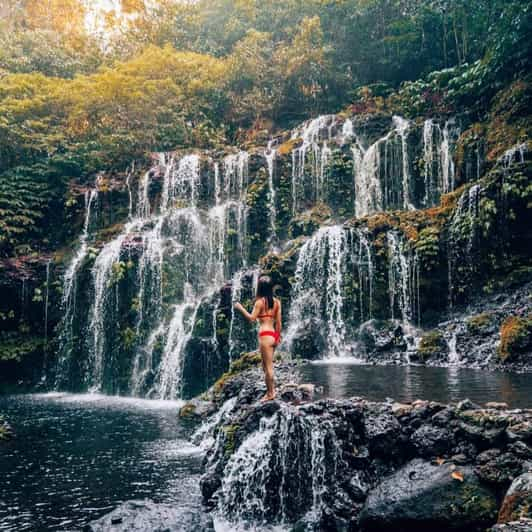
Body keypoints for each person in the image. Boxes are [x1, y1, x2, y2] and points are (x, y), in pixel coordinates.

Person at [234, 275, 281, 401]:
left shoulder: (259, 303)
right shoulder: (277, 302)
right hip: (272, 334)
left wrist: (240, 308)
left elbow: (251, 319)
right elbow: (279, 323)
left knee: (268, 367)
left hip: (264, 336)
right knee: (265, 365)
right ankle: (271, 389)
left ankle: (271, 394)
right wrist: (277, 339)